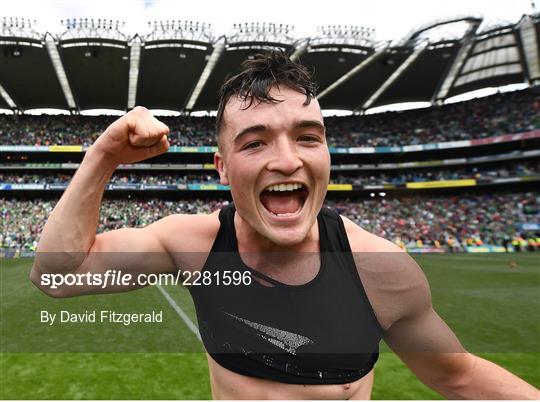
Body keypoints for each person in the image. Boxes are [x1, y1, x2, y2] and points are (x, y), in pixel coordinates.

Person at [31, 51, 538, 400]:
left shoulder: (381, 271)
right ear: (222, 167)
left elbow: (459, 375)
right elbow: (57, 277)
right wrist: (103, 156)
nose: (287, 160)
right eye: (254, 142)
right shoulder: (193, 247)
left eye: (308, 137)